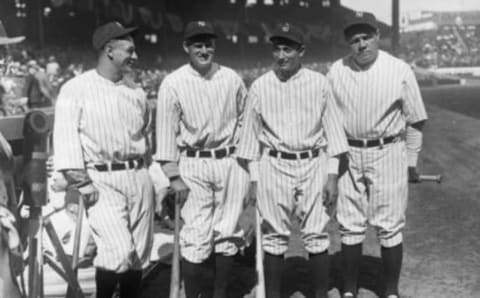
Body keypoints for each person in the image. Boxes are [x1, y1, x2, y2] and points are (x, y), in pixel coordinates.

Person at [236, 23, 349, 298]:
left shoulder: (320, 83)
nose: (281, 55)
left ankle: (320, 293)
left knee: (317, 233)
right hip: (274, 164)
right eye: (277, 48)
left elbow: (334, 131)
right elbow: (249, 139)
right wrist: (254, 178)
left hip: (313, 162)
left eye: (288, 49)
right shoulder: (260, 86)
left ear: (302, 51)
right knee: (274, 236)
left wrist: (332, 175)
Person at [327, 12, 428, 298]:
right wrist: (332, 166)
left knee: (390, 224)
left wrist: (411, 161)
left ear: (377, 36)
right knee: (349, 224)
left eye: (366, 37)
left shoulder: (399, 69)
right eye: (354, 40)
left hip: (388, 151)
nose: (361, 45)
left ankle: (391, 291)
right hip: (349, 152)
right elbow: (330, 122)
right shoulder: (337, 70)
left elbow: (416, 118)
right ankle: (349, 290)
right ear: (348, 43)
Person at [53, 22, 155, 298]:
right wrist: (81, 181)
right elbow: (64, 138)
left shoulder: (135, 90)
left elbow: (145, 133)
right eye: (129, 50)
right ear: (109, 49)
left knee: (138, 257)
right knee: (118, 252)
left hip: (137, 174)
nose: (135, 56)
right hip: (101, 178)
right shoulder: (76, 88)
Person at [154, 20, 250, 298]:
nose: (204, 49)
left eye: (209, 43)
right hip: (193, 163)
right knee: (196, 234)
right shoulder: (173, 82)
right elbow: (165, 135)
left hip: (229, 161)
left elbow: (246, 121)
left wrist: (242, 162)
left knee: (228, 234)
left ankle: (219, 294)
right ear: (186, 47)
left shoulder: (231, 78)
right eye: (198, 44)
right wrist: (173, 175)